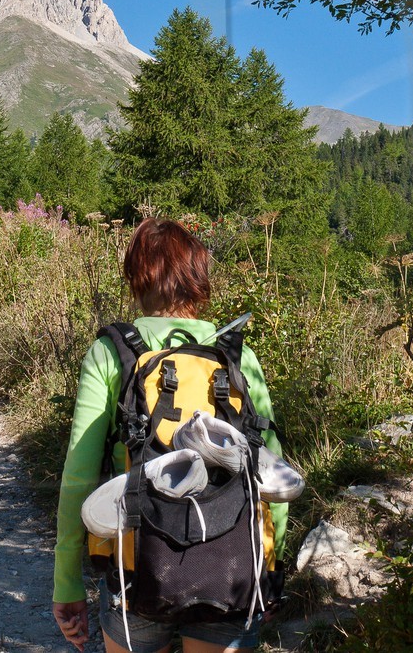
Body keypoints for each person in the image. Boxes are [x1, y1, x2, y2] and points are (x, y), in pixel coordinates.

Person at [51, 219, 289, 653]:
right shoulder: (237, 356)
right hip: (233, 570)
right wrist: (268, 570)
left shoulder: (113, 352)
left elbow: (79, 476)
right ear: (197, 279)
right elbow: (272, 474)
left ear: (135, 278)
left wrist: (66, 581)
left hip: (135, 571)